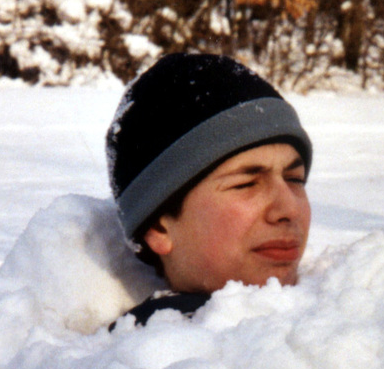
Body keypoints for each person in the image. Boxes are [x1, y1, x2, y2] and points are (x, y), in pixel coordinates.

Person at [106, 53, 312, 327]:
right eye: (246, 183)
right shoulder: (161, 349)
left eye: (295, 179)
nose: (290, 209)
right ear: (159, 227)